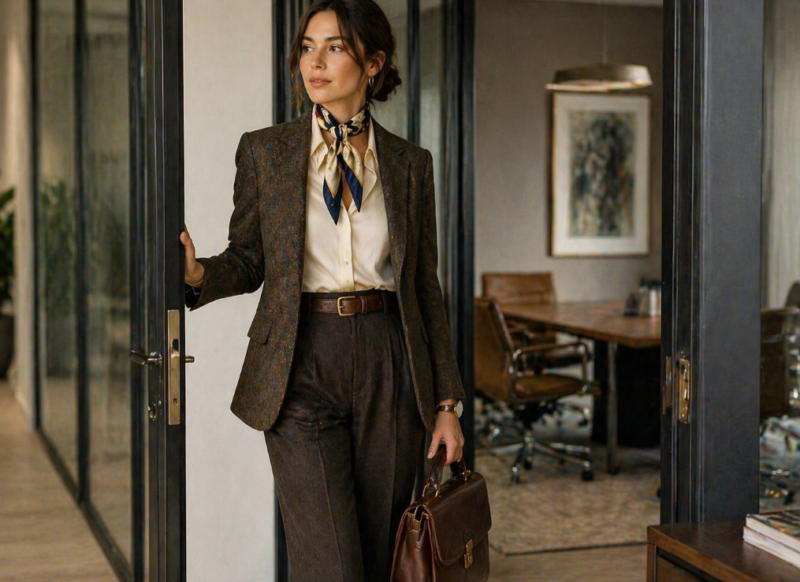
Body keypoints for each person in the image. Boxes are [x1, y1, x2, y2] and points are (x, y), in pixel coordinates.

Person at [180, 1, 465, 580]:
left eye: (334, 47)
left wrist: (446, 405)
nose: (315, 62)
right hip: (299, 360)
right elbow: (248, 259)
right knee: (331, 563)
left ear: (374, 62)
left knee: (382, 547)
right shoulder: (267, 151)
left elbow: (424, 288)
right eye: (308, 47)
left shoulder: (411, 165)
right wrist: (196, 275)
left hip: (390, 358)